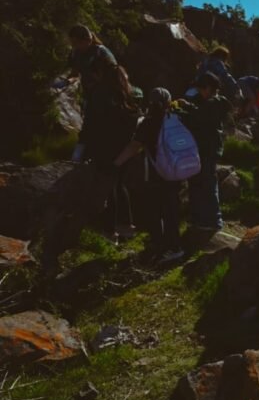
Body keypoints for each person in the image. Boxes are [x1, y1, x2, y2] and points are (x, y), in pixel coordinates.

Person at [114, 88, 183, 263]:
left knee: (154, 209)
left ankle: (159, 243)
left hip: (155, 173)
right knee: (171, 210)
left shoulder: (148, 122)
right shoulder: (176, 119)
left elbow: (134, 146)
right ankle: (174, 246)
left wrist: (116, 163)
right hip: (176, 171)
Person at [80, 63, 139, 238]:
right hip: (124, 149)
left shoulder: (99, 95)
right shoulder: (129, 96)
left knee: (107, 187)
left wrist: (83, 147)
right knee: (119, 185)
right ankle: (126, 225)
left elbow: (91, 124)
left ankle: (109, 229)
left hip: (104, 148)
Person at [181, 71, 230, 232]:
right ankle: (198, 218)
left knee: (207, 184)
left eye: (201, 89)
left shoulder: (216, 103)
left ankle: (214, 220)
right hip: (200, 149)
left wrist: (185, 108)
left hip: (208, 150)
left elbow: (196, 117)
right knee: (195, 183)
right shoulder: (204, 101)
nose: (199, 92)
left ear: (208, 88)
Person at [65, 24, 118, 163]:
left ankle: (100, 159)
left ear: (87, 40)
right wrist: (67, 81)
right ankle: (76, 160)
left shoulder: (100, 52)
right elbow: (75, 73)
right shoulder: (75, 53)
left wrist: (100, 82)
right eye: (72, 42)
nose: (74, 45)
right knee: (87, 127)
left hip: (107, 96)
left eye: (77, 42)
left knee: (102, 127)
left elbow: (115, 75)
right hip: (89, 95)